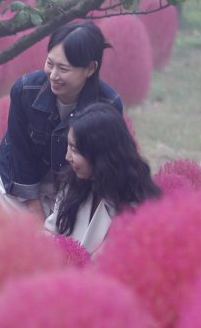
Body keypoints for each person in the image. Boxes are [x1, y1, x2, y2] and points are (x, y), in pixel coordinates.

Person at [0, 21, 124, 224]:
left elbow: (102, 167)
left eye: (63, 69)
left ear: (89, 69)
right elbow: (20, 153)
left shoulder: (108, 105)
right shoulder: (25, 90)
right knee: (31, 237)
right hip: (20, 174)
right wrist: (33, 208)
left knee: (66, 238)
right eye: (50, 63)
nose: (53, 76)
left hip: (77, 181)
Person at [44, 102, 161, 255]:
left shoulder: (136, 208)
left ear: (101, 156)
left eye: (74, 149)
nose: (67, 157)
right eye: (69, 146)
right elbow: (51, 231)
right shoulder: (73, 182)